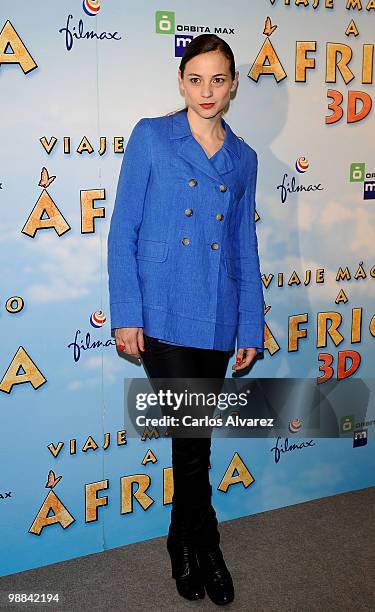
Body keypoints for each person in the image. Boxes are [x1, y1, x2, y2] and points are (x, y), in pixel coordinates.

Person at [107, 34, 265, 606]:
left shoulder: (244, 157)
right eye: (196, 78)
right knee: (191, 441)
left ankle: (181, 539)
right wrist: (127, 313)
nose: (207, 90)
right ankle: (209, 545)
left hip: (218, 315)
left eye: (218, 79)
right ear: (181, 81)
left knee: (192, 441)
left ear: (233, 85)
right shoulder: (152, 136)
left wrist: (252, 324)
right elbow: (122, 230)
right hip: (163, 313)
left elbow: (244, 244)